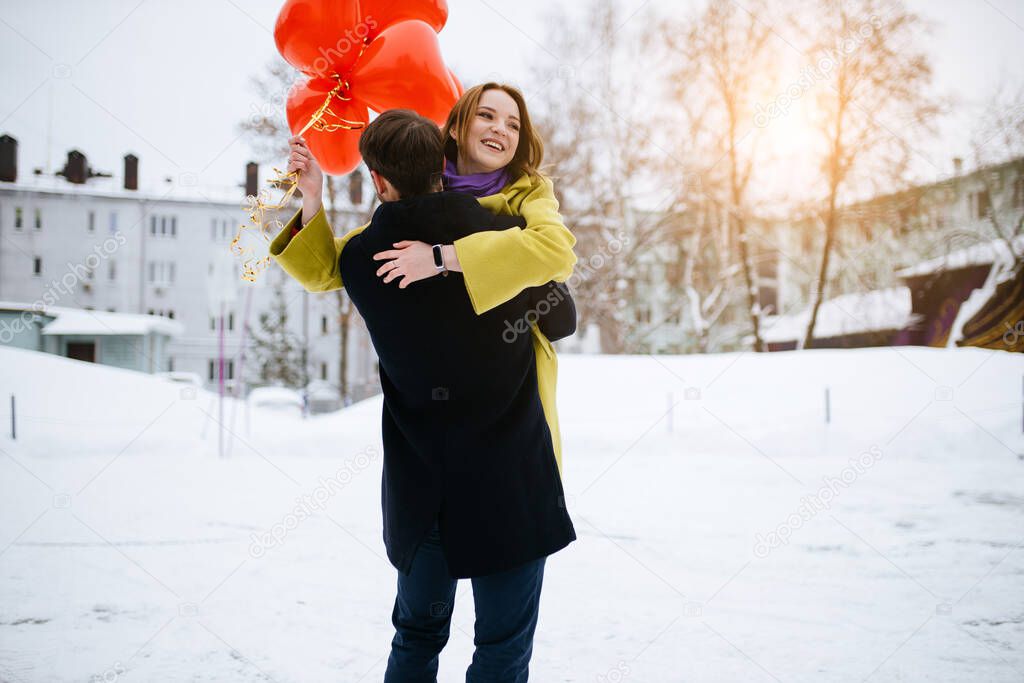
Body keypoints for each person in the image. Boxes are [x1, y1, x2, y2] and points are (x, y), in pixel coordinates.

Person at [336, 108, 576, 681]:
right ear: (443, 164)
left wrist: (309, 202)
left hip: (422, 495)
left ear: (377, 179)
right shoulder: (501, 242)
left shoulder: (360, 261)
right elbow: (562, 316)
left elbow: (322, 259)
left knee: (416, 639)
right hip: (509, 490)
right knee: (501, 647)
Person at [270, 83, 576, 476]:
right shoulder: (421, 183)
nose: (501, 128)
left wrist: (441, 258)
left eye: (513, 125)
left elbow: (557, 252)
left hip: (513, 384)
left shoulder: (529, 193)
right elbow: (329, 267)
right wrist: (313, 197)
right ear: (455, 127)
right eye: (487, 115)